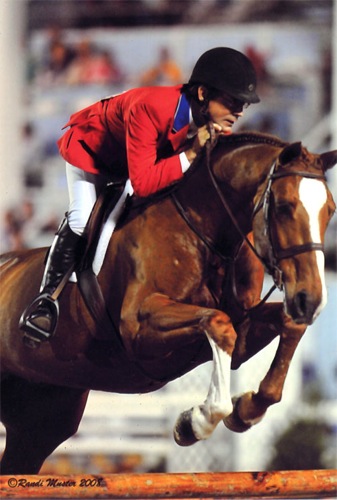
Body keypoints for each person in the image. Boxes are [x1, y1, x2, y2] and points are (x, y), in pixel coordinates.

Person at [19, 47, 260, 344]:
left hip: (134, 162)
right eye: (233, 101)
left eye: (243, 105)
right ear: (202, 94)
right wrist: (193, 151)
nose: (239, 112)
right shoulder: (152, 107)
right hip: (91, 154)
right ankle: (44, 301)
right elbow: (144, 182)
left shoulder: (207, 121)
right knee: (83, 217)